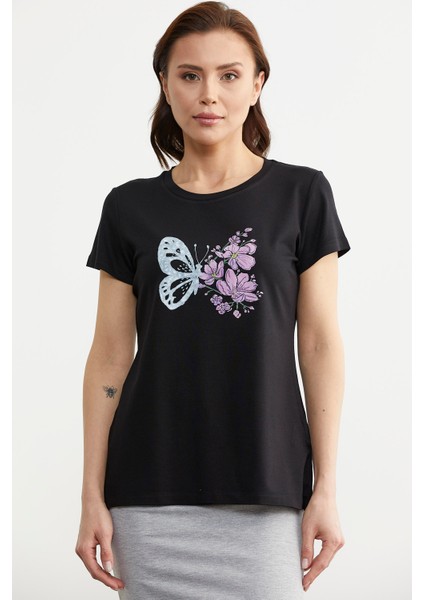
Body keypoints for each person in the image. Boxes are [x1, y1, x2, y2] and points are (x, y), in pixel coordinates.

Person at [75, 2, 350, 598]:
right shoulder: (128, 207)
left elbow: (320, 345)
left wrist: (326, 487)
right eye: (189, 75)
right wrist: (91, 494)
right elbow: (109, 357)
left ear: (257, 85)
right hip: (147, 492)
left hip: (266, 488)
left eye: (229, 75)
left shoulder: (302, 194)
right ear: (165, 85)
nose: (209, 94)